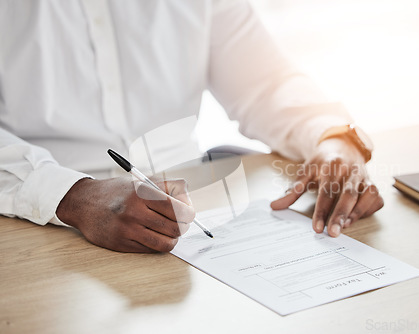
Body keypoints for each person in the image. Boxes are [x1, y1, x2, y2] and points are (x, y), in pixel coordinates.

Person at [0, 0, 383, 253]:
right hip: (31, 213)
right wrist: (71, 195)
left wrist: (333, 136)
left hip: (187, 202)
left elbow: (264, 83)